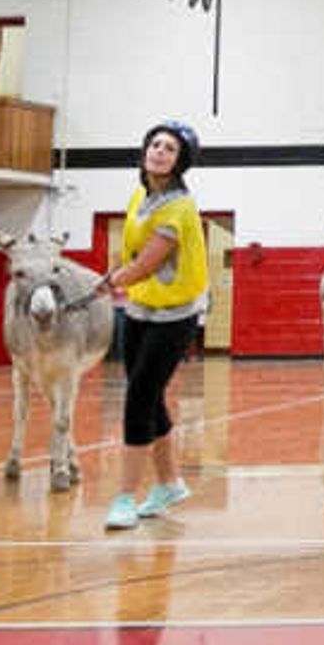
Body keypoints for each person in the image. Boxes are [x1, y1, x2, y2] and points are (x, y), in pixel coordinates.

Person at [104, 121, 207, 531]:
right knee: (147, 393)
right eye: (155, 144)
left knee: (139, 398)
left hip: (176, 314)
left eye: (170, 148)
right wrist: (114, 274)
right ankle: (169, 483)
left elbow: (148, 261)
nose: (160, 151)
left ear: (181, 161)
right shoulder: (139, 196)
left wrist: (112, 282)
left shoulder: (179, 207)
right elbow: (129, 251)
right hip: (140, 309)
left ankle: (125, 496)